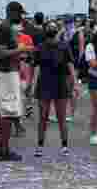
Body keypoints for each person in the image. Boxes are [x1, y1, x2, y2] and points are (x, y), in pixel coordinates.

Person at [31, 20, 76, 157]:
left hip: (55, 83)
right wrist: (74, 85)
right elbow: (71, 68)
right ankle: (57, 146)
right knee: (52, 117)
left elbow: (70, 67)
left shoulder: (61, 46)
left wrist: (73, 84)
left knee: (51, 117)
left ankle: (51, 146)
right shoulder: (42, 47)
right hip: (49, 83)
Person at [0, 1, 29, 161]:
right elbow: (1, 53)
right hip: (6, 74)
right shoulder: (5, 28)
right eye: (20, 14)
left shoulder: (7, 28)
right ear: (12, 12)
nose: (21, 17)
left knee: (8, 113)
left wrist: (21, 54)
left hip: (9, 72)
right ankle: (3, 149)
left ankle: (2, 147)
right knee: (7, 113)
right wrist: (20, 50)